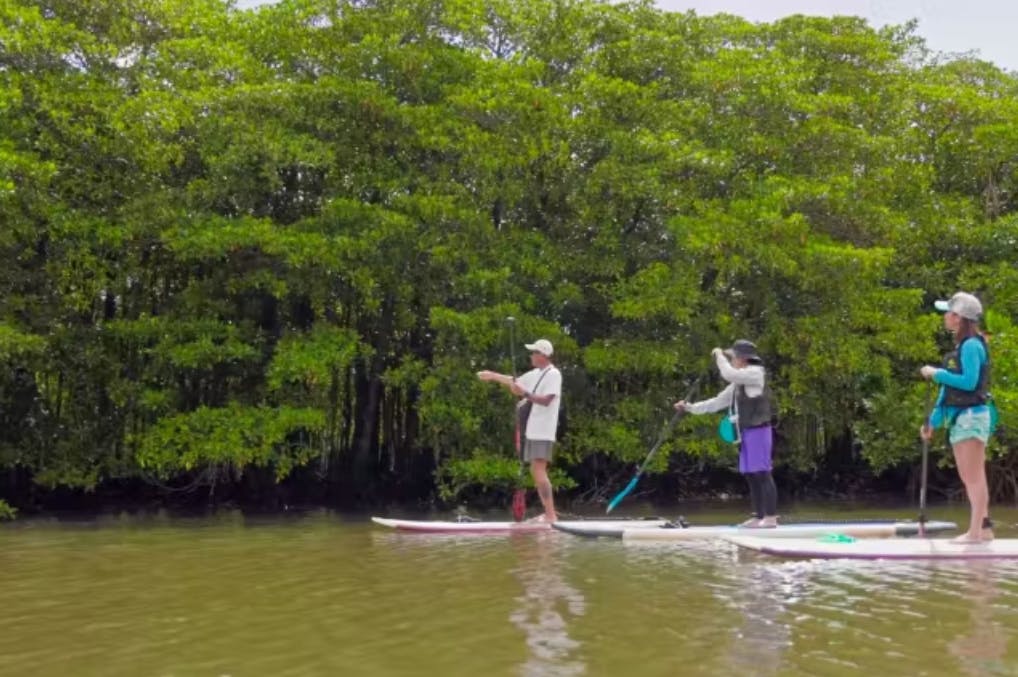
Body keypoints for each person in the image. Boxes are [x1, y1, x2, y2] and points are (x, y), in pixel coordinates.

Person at [675, 340, 778, 528]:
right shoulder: (739, 382)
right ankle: (757, 517)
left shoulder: (755, 373)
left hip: (759, 430)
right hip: (746, 433)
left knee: (762, 473)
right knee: (750, 474)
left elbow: (728, 373)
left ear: (743, 359)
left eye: (733, 358)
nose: (732, 361)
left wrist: (718, 355)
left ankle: (770, 518)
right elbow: (716, 403)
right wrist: (689, 408)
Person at [920, 291, 994, 544]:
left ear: (959, 317)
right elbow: (948, 392)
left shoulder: (972, 345)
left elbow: (969, 382)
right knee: (972, 476)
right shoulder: (961, 346)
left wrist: (936, 373)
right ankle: (983, 529)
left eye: (948, 313)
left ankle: (975, 534)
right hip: (963, 417)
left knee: (972, 477)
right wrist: (932, 421)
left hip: (972, 417)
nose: (945, 318)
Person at [477, 338, 562, 522]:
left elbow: (547, 400)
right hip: (533, 431)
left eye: (534, 352)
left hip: (543, 430)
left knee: (539, 470)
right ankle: (549, 514)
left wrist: (523, 394)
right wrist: (492, 375)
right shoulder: (536, 374)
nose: (531, 356)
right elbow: (514, 381)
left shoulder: (553, 374)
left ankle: (551, 515)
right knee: (535, 470)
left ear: (543, 355)